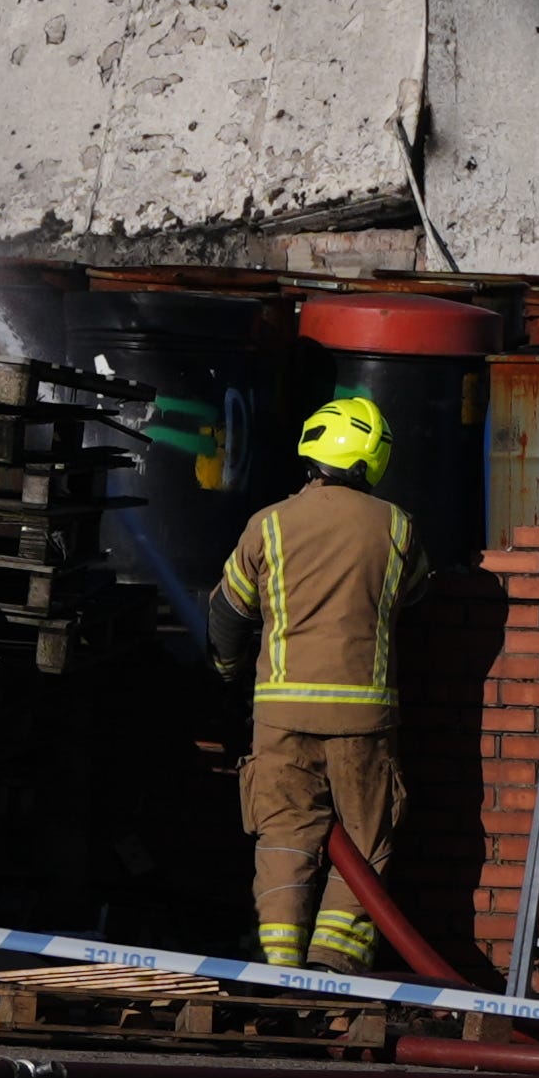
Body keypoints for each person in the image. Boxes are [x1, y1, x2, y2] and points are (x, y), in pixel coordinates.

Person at [208, 396, 418, 971]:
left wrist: (227, 674)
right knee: (366, 839)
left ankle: (279, 963)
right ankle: (335, 961)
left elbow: (227, 613)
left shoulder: (267, 525)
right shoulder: (397, 526)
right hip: (364, 718)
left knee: (283, 834)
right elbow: (418, 597)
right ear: (371, 459)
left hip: (280, 713)